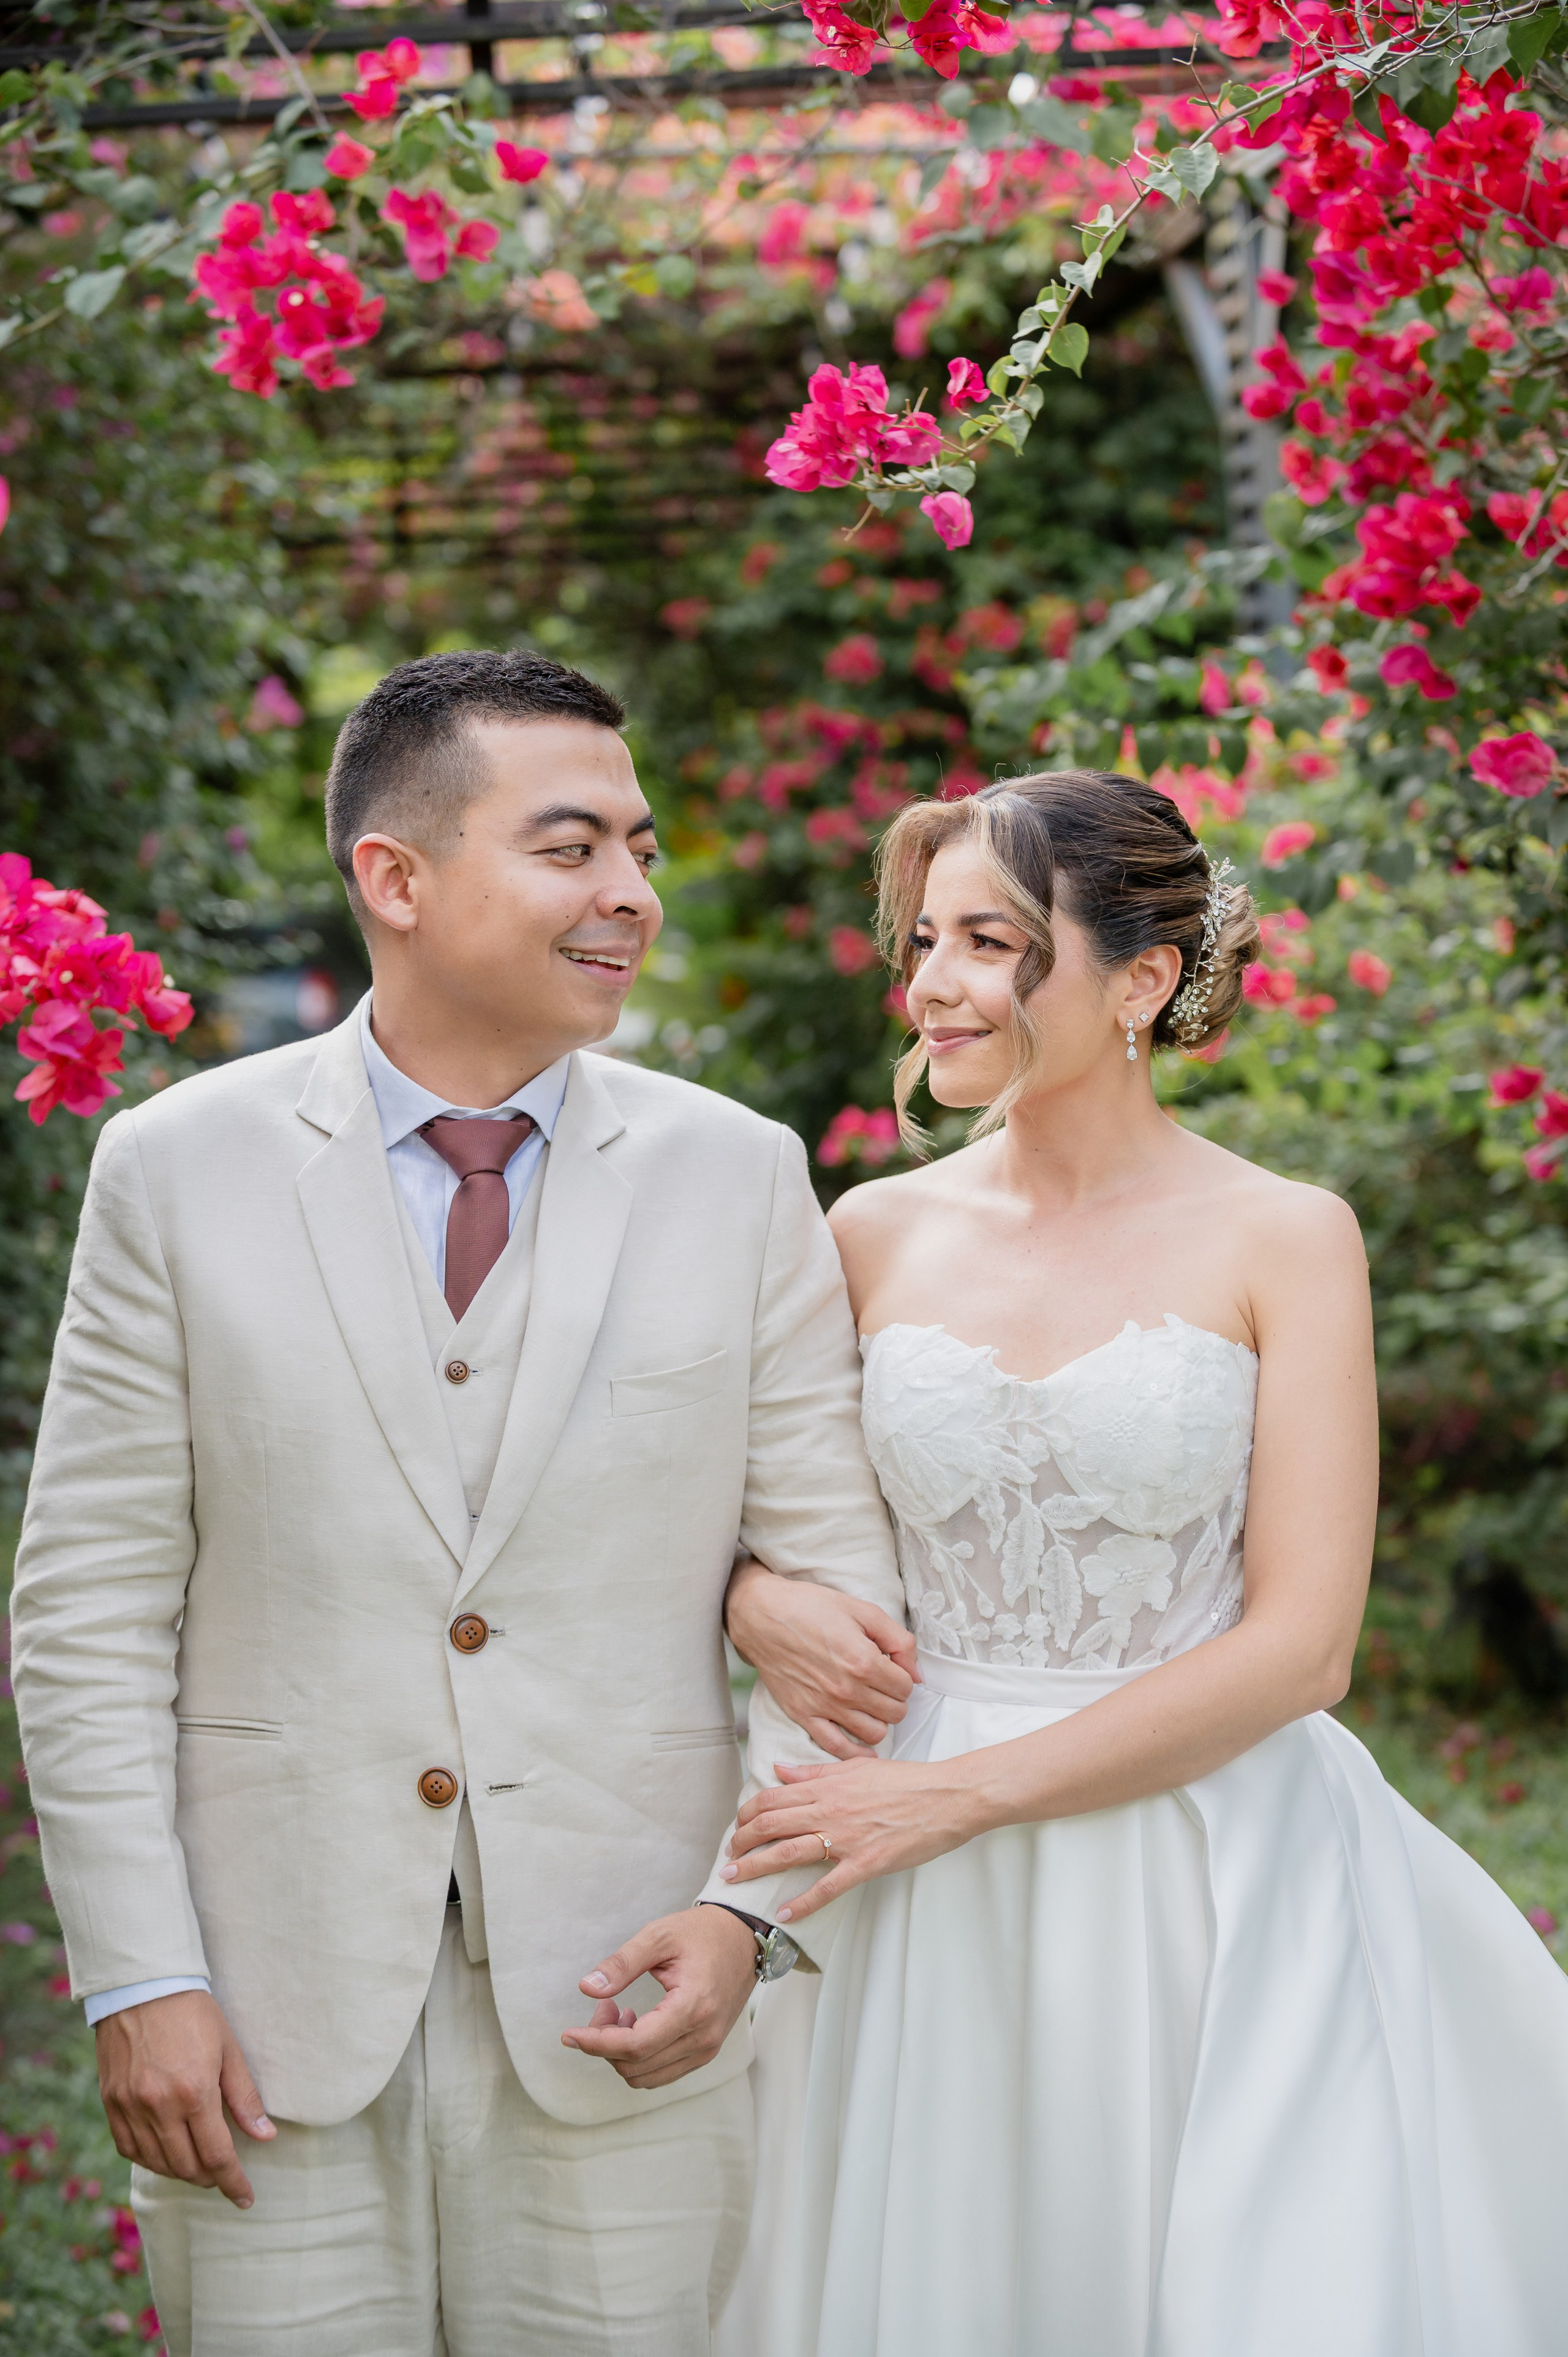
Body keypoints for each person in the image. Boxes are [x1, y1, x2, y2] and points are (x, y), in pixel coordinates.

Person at [9, 648, 910, 2357]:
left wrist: (743, 1919)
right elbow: (87, 1606)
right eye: (573, 848)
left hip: (630, 1995)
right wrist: (141, 1977)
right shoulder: (175, 1169)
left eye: (639, 849)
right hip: (261, 2016)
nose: (631, 893)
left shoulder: (742, 1177)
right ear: (396, 878)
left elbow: (840, 1599)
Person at [710, 770, 1568, 2357]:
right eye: (924, 944)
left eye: (991, 942)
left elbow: (1304, 1647)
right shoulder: (867, 1233)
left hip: (1200, 1860)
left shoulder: (1286, 1237)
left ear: (1144, 979)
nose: (936, 986)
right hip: (906, 1880)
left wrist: (962, 1793)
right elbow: (745, 1534)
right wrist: (757, 1602)